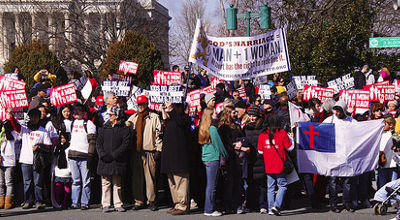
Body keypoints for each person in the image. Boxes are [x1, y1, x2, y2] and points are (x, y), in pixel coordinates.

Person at [126, 95, 162, 211]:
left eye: (142, 104)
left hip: (149, 150)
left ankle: (151, 200)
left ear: (147, 104)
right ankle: (138, 201)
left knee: (150, 177)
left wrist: (158, 149)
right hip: (136, 151)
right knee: (137, 177)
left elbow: (159, 135)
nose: (140, 106)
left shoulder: (154, 117)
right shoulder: (132, 118)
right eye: (139, 104)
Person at [14, 108, 52, 209]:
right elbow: (16, 126)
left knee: (38, 183)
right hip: (25, 160)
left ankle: (38, 201)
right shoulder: (24, 129)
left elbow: (48, 145)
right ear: (29, 118)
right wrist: (10, 116)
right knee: (27, 182)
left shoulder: (43, 131)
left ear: (39, 118)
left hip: (38, 161)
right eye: (32, 117)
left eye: (36, 117)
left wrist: (39, 147)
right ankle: (28, 201)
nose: (33, 119)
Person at [322, 100, 356, 212]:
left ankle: (346, 203)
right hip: (333, 156)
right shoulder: (329, 120)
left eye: (340, 110)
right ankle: (333, 203)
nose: (337, 113)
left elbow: (361, 131)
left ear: (344, 110)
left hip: (347, 156)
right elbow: (319, 131)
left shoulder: (351, 121)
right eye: (336, 110)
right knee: (333, 181)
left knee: (347, 181)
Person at [257, 114, 294, 216]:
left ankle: (270, 208)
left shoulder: (262, 134)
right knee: (282, 186)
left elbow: (260, 151)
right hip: (280, 164)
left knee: (270, 188)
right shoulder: (281, 132)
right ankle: (276, 206)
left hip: (268, 164)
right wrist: (292, 139)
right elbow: (290, 148)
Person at [96, 106, 130, 213]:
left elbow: (125, 145)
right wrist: (102, 155)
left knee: (117, 184)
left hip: (117, 160)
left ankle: (118, 204)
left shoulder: (124, 129)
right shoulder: (104, 128)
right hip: (104, 160)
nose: (109, 116)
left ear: (117, 116)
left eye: (111, 114)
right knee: (105, 183)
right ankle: (105, 204)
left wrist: (114, 155)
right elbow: (98, 143)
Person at [161, 102, 192, 215]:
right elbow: (166, 121)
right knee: (172, 181)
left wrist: (172, 111)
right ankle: (177, 203)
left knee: (180, 180)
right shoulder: (171, 119)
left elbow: (180, 122)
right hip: (169, 156)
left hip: (179, 156)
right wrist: (164, 110)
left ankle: (183, 205)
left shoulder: (185, 119)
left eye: (175, 107)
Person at [67, 104, 97, 210]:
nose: (76, 112)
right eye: (75, 110)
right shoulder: (72, 123)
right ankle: (75, 202)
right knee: (75, 181)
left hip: (84, 156)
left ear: (84, 113)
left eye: (79, 111)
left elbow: (92, 141)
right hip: (72, 155)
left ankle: (85, 202)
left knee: (86, 181)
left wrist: (90, 155)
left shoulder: (89, 124)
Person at [199, 108, 227, 217]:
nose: (217, 114)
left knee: (210, 185)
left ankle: (209, 207)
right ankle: (209, 209)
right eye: (215, 113)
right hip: (213, 157)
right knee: (212, 185)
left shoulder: (203, 128)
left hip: (206, 157)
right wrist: (225, 155)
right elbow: (219, 145)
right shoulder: (213, 129)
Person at [218, 106, 244, 214]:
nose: (236, 114)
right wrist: (234, 145)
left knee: (238, 182)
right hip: (228, 158)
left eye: (236, 112)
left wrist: (242, 142)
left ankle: (238, 205)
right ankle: (228, 205)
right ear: (228, 114)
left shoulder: (237, 126)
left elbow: (243, 137)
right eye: (234, 113)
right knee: (229, 183)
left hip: (238, 158)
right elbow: (224, 143)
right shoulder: (223, 128)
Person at [243, 105, 266, 213]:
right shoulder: (246, 127)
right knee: (251, 183)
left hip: (261, 158)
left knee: (261, 183)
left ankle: (262, 205)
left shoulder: (263, 127)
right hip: (250, 158)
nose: (252, 118)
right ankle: (251, 205)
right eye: (250, 115)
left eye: (254, 116)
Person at [0, 120, 19, 209]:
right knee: (0, 183)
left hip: (9, 160)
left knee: (9, 182)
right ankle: (1, 201)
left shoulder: (14, 133)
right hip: (1, 160)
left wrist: (8, 130)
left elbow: (11, 138)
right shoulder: (1, 134)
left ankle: (8, 201)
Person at [377, 114, 398, 188]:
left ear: (391, 125)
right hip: (382, 163)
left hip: (393, 163)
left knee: (393, 185)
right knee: (383, 185)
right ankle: (383, 199)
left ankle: (393, 199)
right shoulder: (380, 134)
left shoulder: (395, 135)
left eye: (384, 124)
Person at [53, 132, 72, 209]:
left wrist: (71, 170)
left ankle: (65, 202)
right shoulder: (57, 147)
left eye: (64, 138)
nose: (62, 139)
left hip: (67, 170)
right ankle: (57, 202)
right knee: (58, 188)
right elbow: (54, 159)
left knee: (66, 188)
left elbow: (70, 160)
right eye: (61, 138)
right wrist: (53, 169)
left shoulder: (69, 147)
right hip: (58, 170)